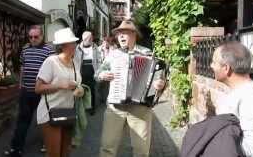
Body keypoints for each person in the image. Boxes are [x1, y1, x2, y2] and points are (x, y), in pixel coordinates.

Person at [96, 20, 166, 157]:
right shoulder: (113, 54)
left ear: (134, 35)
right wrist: (102, 75)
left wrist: (160, 84)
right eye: (119, 34)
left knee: (141, 152)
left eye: (125, 33)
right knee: (107, 148)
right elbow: (97, 74)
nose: (121, 36)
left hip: (140, 108)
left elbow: (160, 78)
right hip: (115, 107)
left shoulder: (147, 53)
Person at [210, 41, 253, 157]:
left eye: (214, 62)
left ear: (226, 68)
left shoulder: (251, 97)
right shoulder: (240, 91)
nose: (211, 66)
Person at [4, 25, 53, 156]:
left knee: (45, 119)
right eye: (30, 37)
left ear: (42, 36)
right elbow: (22, 68)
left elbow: (53, 70)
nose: (33, 39)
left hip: (42, 92)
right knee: (23, 120)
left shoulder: (49, 50)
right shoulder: (25, 49)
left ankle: (47, 143)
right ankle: (16, 148)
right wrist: (20, 84)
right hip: (26, 91)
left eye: (36, 37)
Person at [35, 27, 84, 157]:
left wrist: (79, 89)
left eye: (75, 43)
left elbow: (76, 84)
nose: (75, 46)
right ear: (62, 46)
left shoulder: (75, 63)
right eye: (72, 43)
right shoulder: (51, 62)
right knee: (54, 154)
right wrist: (60, 85)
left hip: (68, 112)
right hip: (50, 112)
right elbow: (38, 88)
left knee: (65, 153)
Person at [75, 31, 100, 115]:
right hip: (82, 70)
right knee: (82, 89)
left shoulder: (95, 47)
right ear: (83, 38)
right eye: (86, 38)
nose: (89, 39)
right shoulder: (78, 47)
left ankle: (92, 108)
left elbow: (98, 59)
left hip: (92, 69)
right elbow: (75, 60)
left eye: (90, 38)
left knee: (92, 90)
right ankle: (83, 107)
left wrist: (99, 70)